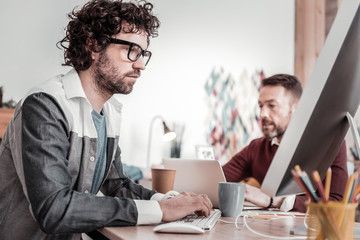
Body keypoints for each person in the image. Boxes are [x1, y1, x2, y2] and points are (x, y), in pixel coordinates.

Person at [0, 1, 212, 239]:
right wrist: (159, 210)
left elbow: (117, 185)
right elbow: (54, 208)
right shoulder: (44, 106)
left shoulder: (108, 113)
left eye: (143, 54)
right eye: (131, 50)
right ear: (94, 45)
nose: (140, 65)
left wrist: (166, 200)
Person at [222, 74, 348, 213]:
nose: (262, 114)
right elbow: (219, 179)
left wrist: (275, 200)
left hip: (310, 233)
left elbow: (337, 205)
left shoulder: (330, 144)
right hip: (266, 230)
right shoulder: (256, 147)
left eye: (272, 105)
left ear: (296, 108)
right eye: (261, 106)